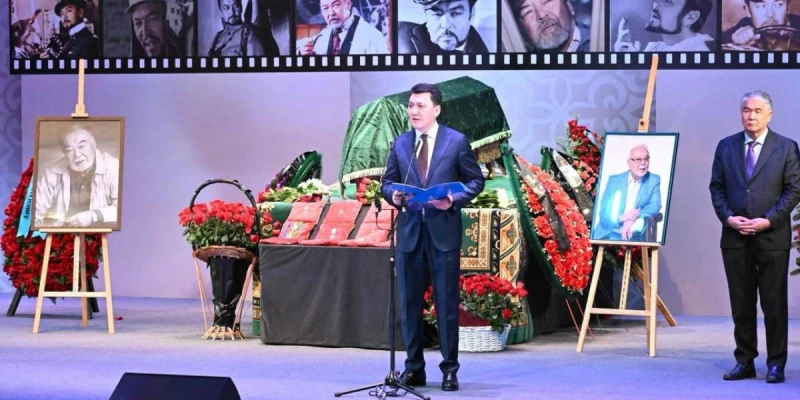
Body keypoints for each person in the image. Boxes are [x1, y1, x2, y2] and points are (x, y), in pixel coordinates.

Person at [380, 83, 484, 392]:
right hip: (410, 233)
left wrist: (452, 199)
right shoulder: (401, 144)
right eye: (411, 105)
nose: (414, 111)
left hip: (443, 234)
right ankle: (414, 369)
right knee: (409, 305)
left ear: (436, 109)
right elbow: (387, 183)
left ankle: (450, 369)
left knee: (446, 304)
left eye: (420, 106)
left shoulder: (456, 141)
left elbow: (475, 181)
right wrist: (394, 195)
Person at [709, 91, 800, 384]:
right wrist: (728, 218)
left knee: (774, 304)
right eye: (746, 110)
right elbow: (716, 188)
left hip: (772, 237)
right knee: (741, 303)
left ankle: (776, 364)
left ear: (769, 115)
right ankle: (744, 360)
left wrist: (768, 220)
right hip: (735, 237)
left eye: (758, 111)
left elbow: (794, 190)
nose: (751, 115)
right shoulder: (726, 146)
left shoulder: (786, 147)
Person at [35, 125, 120, 229]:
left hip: (101, 234)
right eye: (69, 150)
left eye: (81, 147)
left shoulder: (113, 166)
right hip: (62, 235)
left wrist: (93, 216)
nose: (77, 155)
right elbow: (35, 212)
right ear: (64, 153)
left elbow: (121, 209)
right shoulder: (51, 172)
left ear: (93, 144)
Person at [593, 145, 662, 242]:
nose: (643, 163)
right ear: (629, 163)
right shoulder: (614, 181)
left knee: (636, 231)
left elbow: (655, 205)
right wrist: (622, 218)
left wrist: (633, 217)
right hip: (609, 232)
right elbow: (604, 213)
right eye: (638, 159)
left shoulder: (653, 180)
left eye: (646, 159)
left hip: (634, 233)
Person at [614, 0, 714, 52]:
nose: (656, 4)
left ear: (691, 17)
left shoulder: (700, 55)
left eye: (668, 0)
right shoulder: (657, 48)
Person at [296, 0, 388, 55]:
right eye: (325, 8)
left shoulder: (373, 37)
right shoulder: (324, 35)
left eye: (336, 5)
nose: (331, 13)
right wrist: (302, 51)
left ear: (348, 4)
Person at [397, 0, 489, 54]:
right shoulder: (399, 34)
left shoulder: (484, 52)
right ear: (426, 15)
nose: (445, 25)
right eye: (437, 14)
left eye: (456, 13)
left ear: (471, 14)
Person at [508, 0, 590, 52]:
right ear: (522, 29)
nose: (541, 14)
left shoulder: (596, 43)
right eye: (527, 12)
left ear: (569, 6)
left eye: (547, 1)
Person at [722, 0, 800, 51]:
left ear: (788, 8)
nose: (770, 14)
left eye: (778, 5)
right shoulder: (743, 27)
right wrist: (734, 41)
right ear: (748, 10)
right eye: (760, 6)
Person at [208, 0, 279, 56]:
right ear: (221, 13)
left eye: (235, 6)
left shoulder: (249, 34)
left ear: (241, 8)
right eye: (226, 8)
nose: (231, 12)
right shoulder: (217, 37)